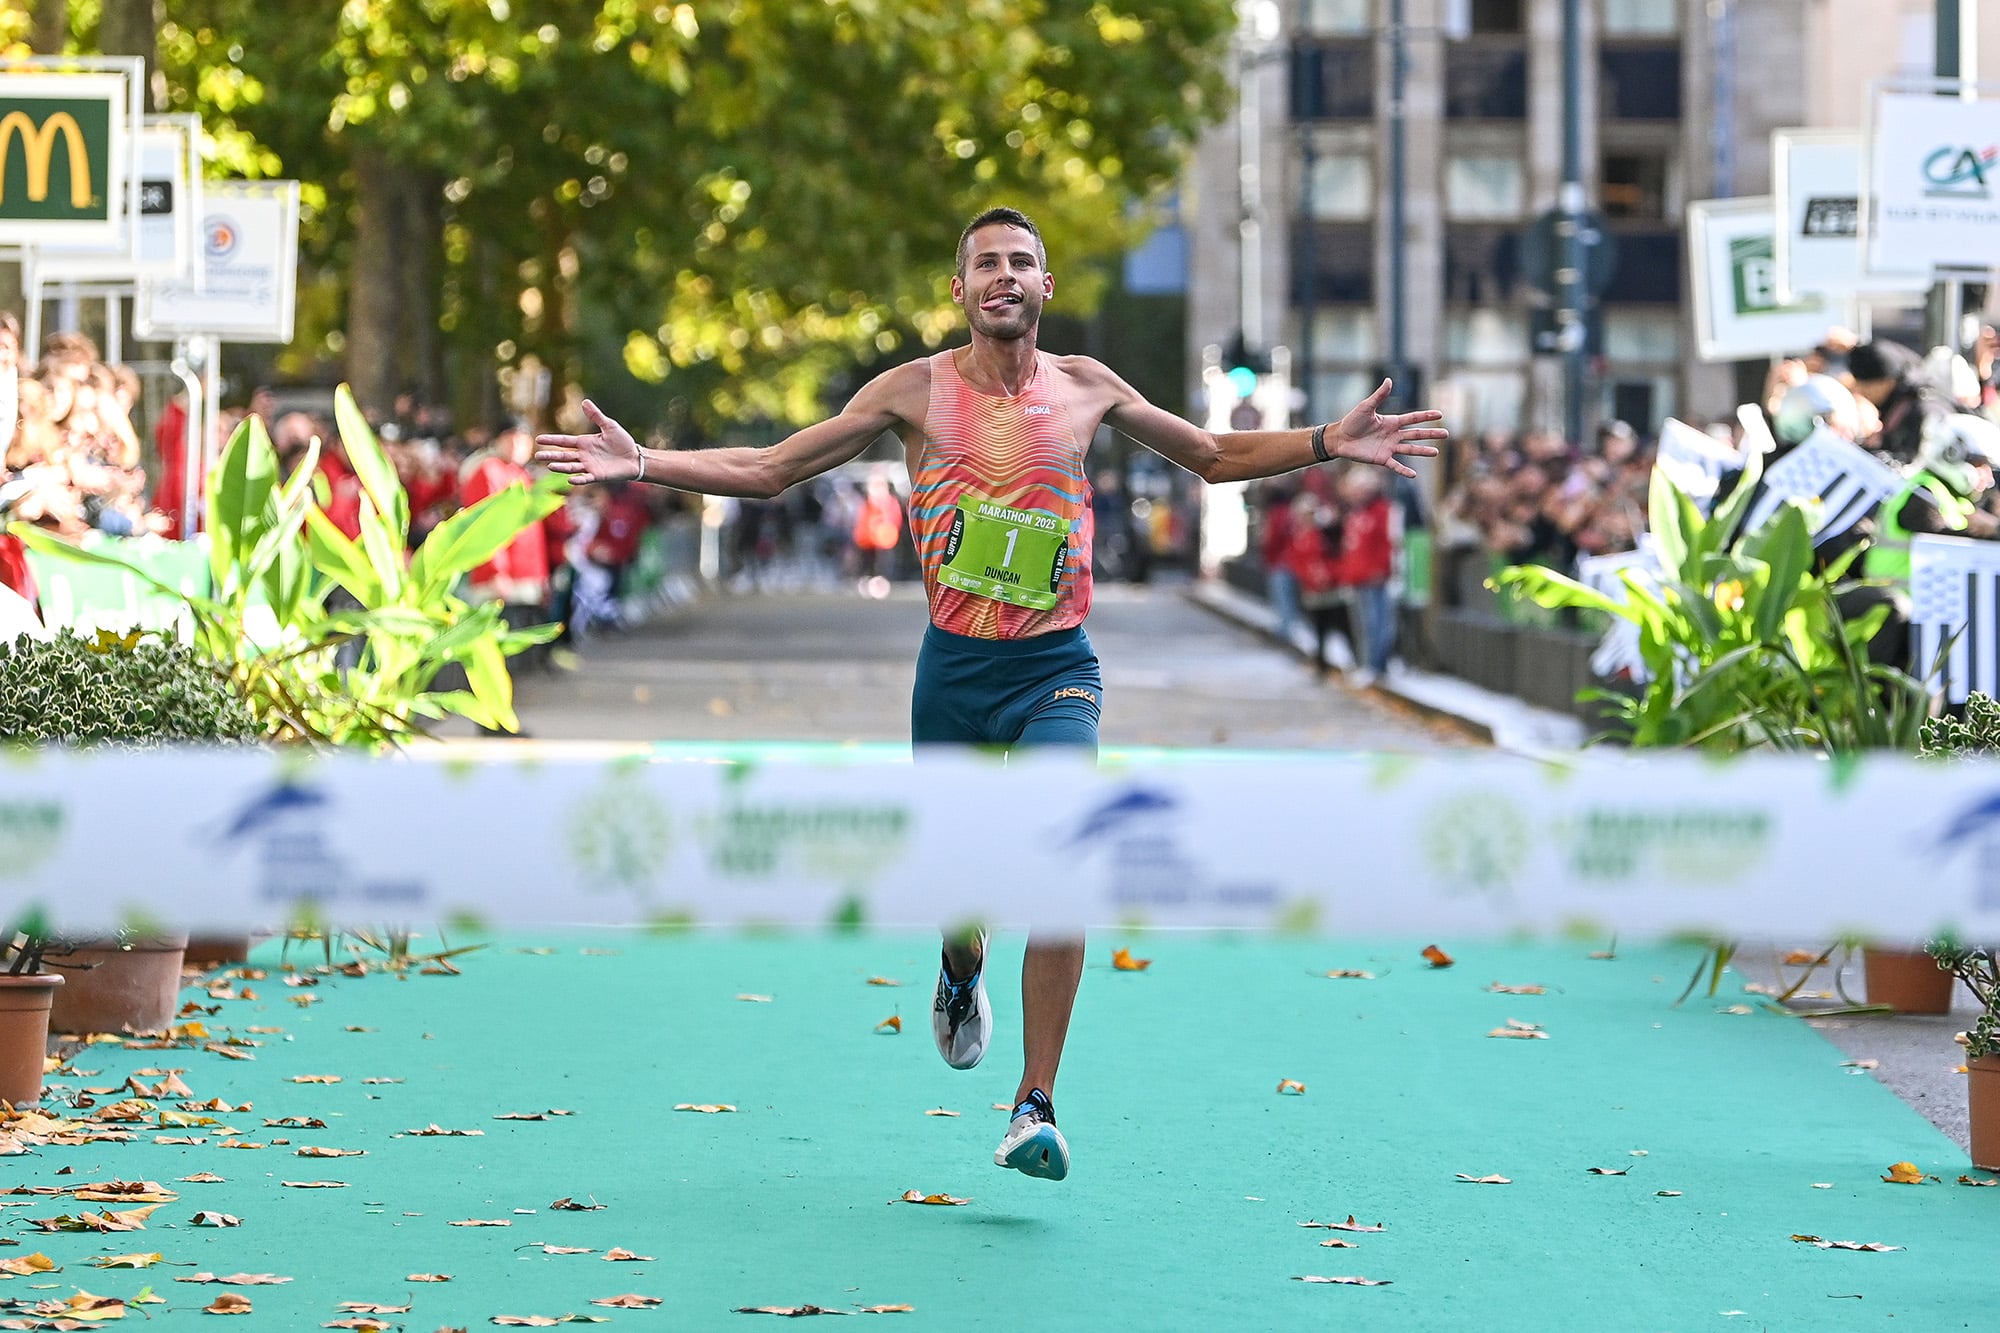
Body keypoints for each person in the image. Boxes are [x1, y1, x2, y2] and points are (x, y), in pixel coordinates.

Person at [535, 206, 1445, 1182]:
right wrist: (641, 463)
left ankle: (1033, 1103)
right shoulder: (912, 392)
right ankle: (959, 964)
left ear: (1045, 287)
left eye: (1021, 261)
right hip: (954, 677)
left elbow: (1212, 457)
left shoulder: (1088, 387)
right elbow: (768, 467)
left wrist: (1321, 439)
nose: (1003, 275)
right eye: (985, 264)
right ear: (959, 290)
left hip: (1056, 668)